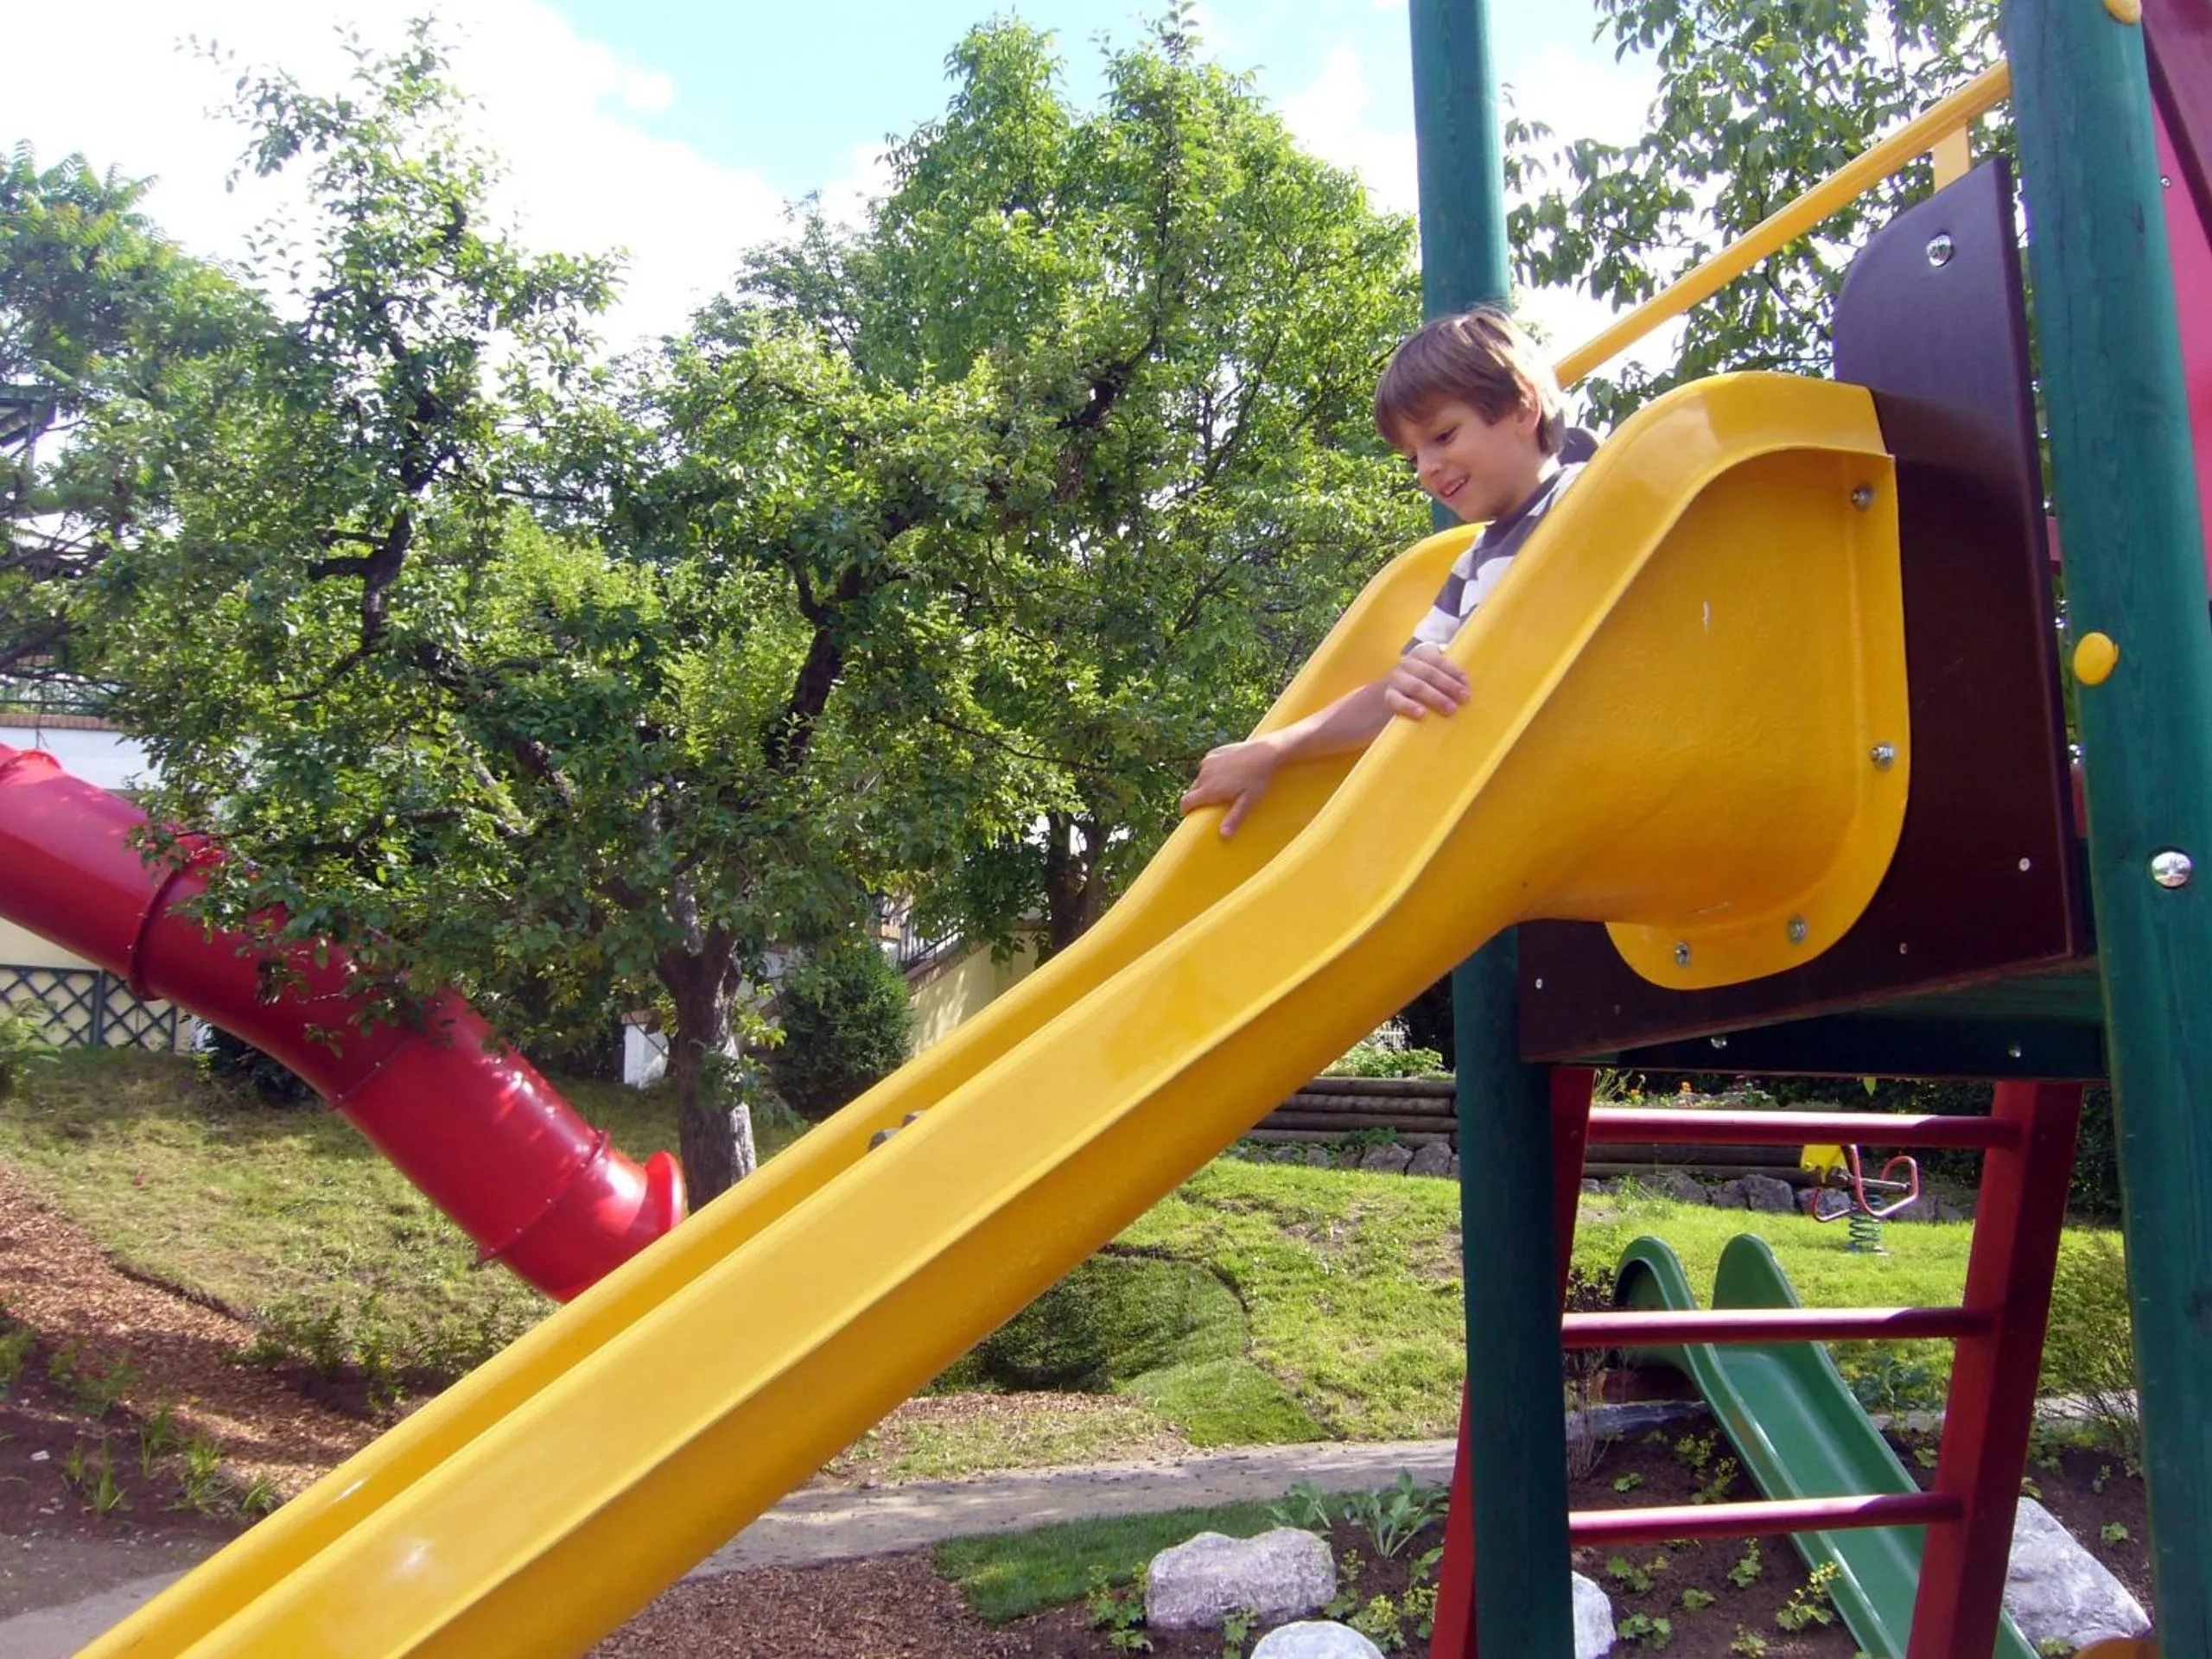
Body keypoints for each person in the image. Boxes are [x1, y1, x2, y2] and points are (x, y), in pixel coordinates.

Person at [1179, 306, 1586, 837]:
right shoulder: (1472, 565)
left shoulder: (1587, 496)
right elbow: (1403, 691)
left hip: (1597, 766)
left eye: (1442, 436)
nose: (1426, 469)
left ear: (1522, 407)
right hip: (1518, 815)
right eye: (1412, 455)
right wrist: (1275, 749)